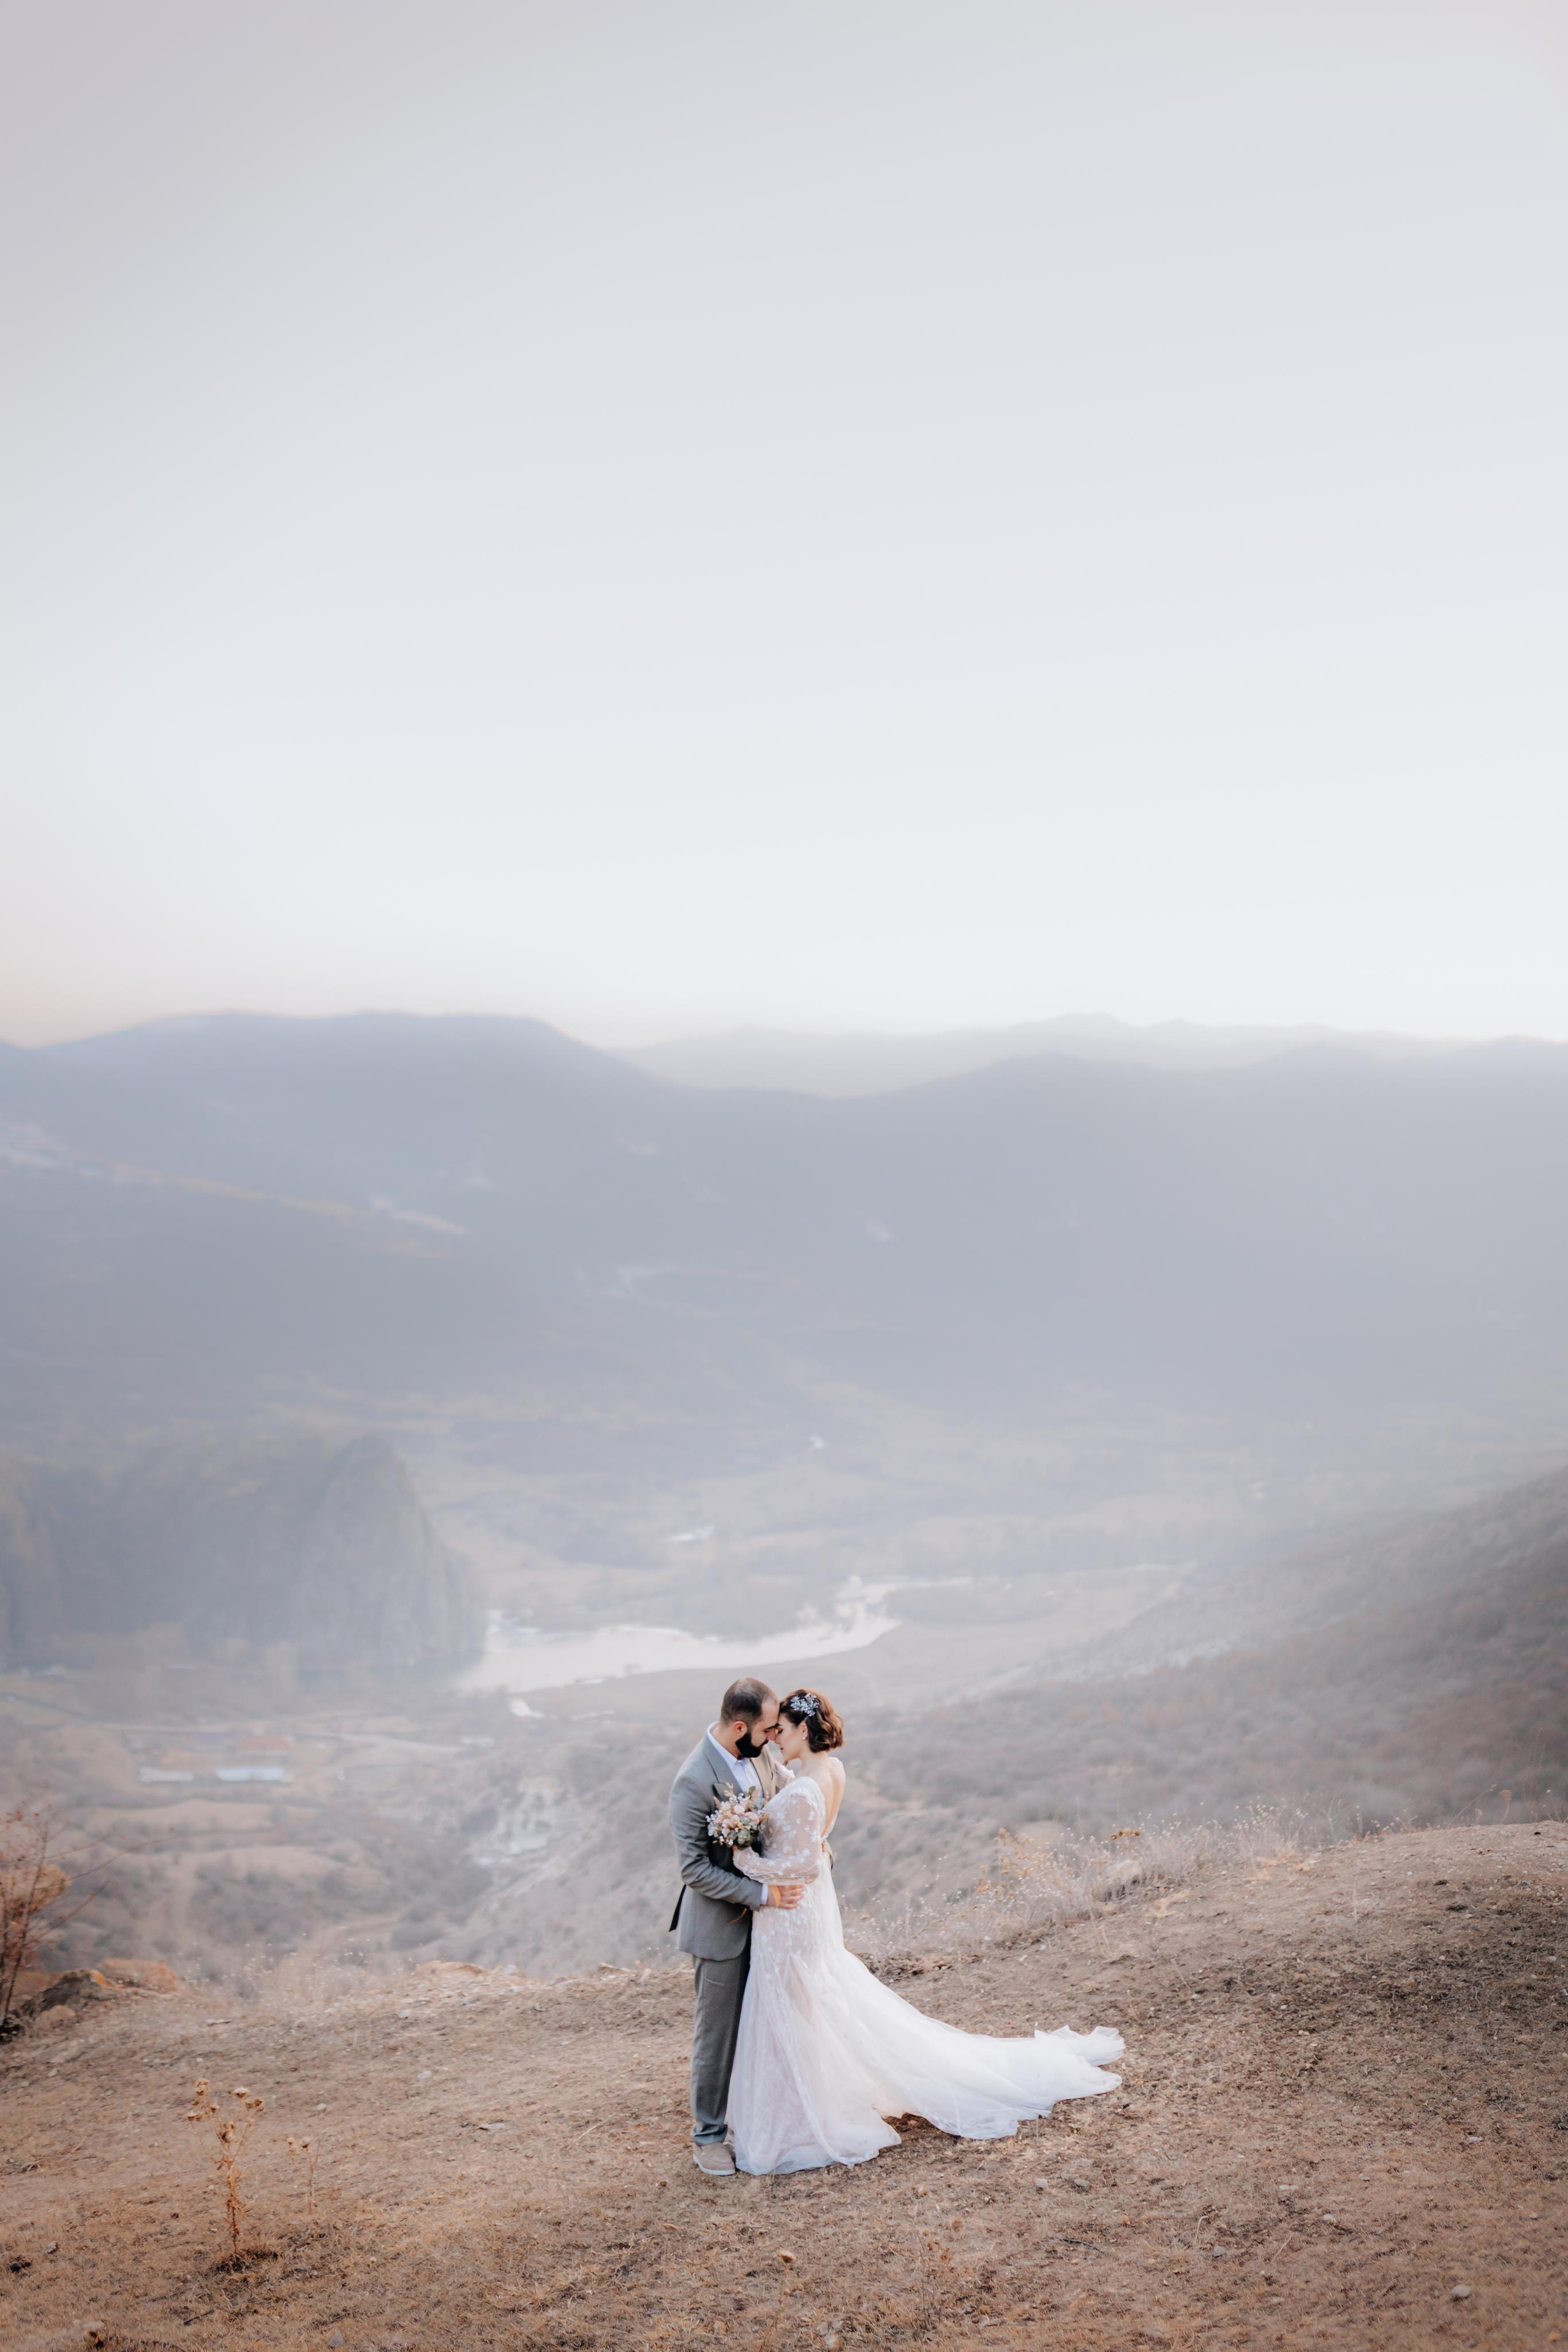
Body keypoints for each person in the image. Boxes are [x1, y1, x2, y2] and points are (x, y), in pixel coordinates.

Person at [723, 1686, 1126, 2176]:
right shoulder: (829, 1771)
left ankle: (799, 2112)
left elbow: (804, 1862)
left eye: (781, 1731)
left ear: (803, 1730)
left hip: (791, 1907)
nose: (773, 1740)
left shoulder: (807, 1785)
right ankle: (803, 2097)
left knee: (790, 2007)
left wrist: (746, 1858)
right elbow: (817, 1841)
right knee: (807, 2004)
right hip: (809, 1909)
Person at [667, 1676, 805, 2175]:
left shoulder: (762, 1755)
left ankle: (761, 2116)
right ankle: (708, 2135)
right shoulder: (693, 1781)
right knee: (718, 2034)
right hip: (721, 1928)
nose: (774, 1738)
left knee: (767, 2022)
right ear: (740, 1726)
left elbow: (787, 1805)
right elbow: (694, 1870)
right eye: (768, 1729)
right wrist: (763, 1895)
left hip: (772, 1927)